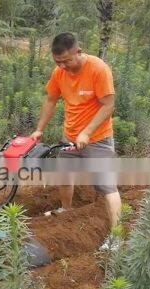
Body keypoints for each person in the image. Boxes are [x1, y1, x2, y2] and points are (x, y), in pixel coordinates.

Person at [30, 32, 121, 246]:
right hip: (70, 136)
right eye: (57, 62)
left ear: (78, 52)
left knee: (107, 186)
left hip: (97, 138)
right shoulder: (59, 73)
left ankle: (116, 237)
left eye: (66, 61)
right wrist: (38, 129)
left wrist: (87, 132)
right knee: (64, 175)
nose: (62, 66)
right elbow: (51, 100)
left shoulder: (98, 69)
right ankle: (66, 209)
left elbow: (109, 105)